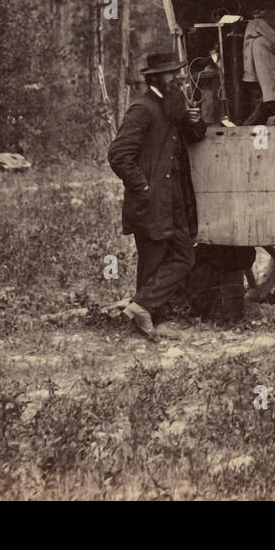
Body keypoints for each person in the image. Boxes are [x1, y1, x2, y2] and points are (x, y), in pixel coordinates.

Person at [107, 51, 210, 336]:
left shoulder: (171, 105)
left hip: (173, 199)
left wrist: (193, 119)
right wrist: (143, 186)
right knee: (152, 259)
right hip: (151, 200)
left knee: (183, 256)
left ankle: (142, 308)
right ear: (155, 78)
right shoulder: (143, 108)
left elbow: (194, 137)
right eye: (171, 74)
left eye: (178, 72)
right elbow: (118, 155)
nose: (177, 77)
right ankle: (145, 318)